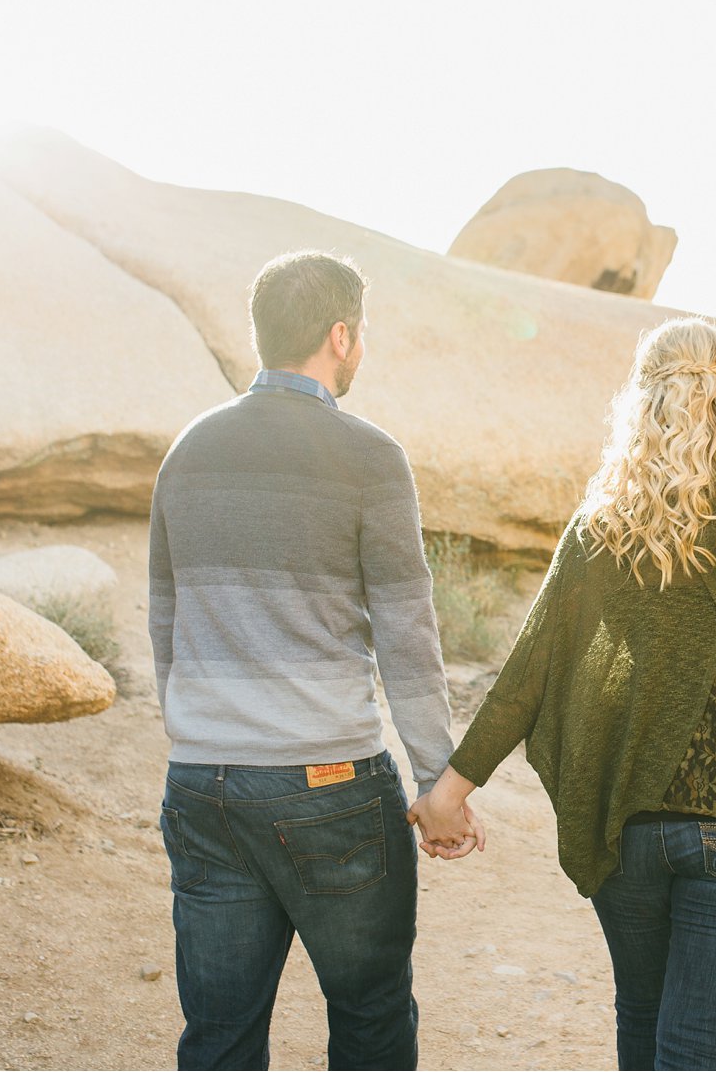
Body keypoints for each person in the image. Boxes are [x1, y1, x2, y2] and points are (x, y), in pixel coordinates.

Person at [410, 318, 716, 1071]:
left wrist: (449, 791)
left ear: (643, 400)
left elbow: (529, 674)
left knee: (644, 1018)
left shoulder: (606, 527)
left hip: (632, 823)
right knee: (695, 1045)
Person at [147, 251, 476, 1072]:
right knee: (369, 1018)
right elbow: (407, 634)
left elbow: (165, 616)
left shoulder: (188, 450)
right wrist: (439, 778)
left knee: (218, 1035)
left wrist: (201, 732)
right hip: (328, 787)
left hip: (204, 782)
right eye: (359, 335)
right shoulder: (368, 456)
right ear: (340, 335)